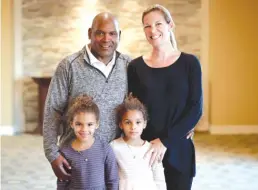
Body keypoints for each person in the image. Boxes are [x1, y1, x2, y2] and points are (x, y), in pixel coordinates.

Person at [43, 12, 131, 181]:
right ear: (90, 33)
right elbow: (52, 110)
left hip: (116, 157)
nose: (107, 39)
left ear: (119, 35)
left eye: (112, 33)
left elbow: (140, 107)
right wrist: (52, 154)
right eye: (100, 33)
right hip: (76, 158)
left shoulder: (128, 65)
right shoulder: (69, 66)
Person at [127, 4, 203, 190]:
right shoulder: (135, 67)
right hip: (146, 151)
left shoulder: (190, 63)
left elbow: (195, 108)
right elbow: (132, 110)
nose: (152, 30)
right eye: (147, 26)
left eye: (158, 23)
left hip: (179, 148)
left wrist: (165, 141)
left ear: (170, 25)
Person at [57, 94, 119, 190]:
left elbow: (112, 180)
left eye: (89, 124)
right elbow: (62, 183)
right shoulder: (65, 151)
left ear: (97, 124)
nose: (84, 129)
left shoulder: (105, 148)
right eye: (79, 124)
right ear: (71, 124)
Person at [110, 94, 166, 190]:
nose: (133, 127)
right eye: (128, 122)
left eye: (138, 122)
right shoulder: (114, 147)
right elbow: (110, 177)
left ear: (144, 124)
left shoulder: (152, 149)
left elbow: (159, 179)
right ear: (120, 125)